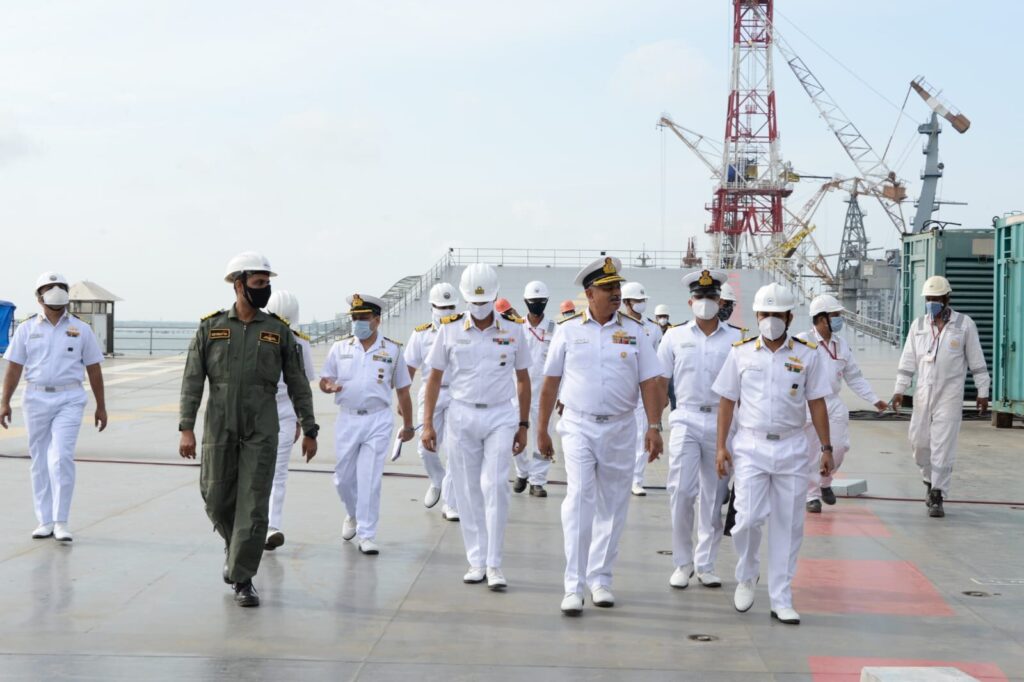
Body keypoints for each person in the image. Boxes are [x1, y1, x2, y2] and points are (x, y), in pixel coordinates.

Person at [179, 251, 318, 608]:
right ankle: (236, 546)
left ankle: (243, 578)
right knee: (215, 496)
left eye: (268, 283)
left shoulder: (277, 331)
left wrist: (309, 426)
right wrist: (186, 427)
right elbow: (193, 381)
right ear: (239, 285)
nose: (265, 289)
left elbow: (298, 382)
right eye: (259, 284)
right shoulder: (210, 328)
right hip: (219, 424)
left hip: (262, 425)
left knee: (254, 503)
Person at [537, 257, 664, 616]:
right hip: (578, 425)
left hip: (622, 427)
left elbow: (651, 381)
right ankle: (573, 585)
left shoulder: (636, 331)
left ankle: (601, 578)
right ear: (589, 293)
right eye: (608, 289)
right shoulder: (568, 330)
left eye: (617, 288)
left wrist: (653, 427)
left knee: (613, 504)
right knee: (579, 499)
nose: (616, 294)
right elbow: (550, 382)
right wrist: (541, 429)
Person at [713, 282, 833, 625]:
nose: (770, 320)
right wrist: (721, 445)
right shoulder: (741, 352)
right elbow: (726, 401)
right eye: (765, 314)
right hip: (750, 446)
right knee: (746, 518)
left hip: (793, 447)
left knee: (788, 524)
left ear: (790, 316)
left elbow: (817, 402)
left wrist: (826, 447)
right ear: (756, 314)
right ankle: (747, 575)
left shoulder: (808, 354)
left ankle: (781, 596)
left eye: (777, 315)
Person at [421, 264, 532, 591]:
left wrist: (523, 424)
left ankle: (495, 564)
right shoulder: (450, 329)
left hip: (500, 415)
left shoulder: (514, 330)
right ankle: (476, 560)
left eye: (485, 301)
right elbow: (434, 379)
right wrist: (427, 424)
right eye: (473, 301)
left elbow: (523, 379)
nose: (480, 308)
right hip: (462, 415)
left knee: (494, 485)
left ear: (496, 295)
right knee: (468, 490)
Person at [1, 272, 107, 542]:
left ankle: (61, 521)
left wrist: (101, 406)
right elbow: (13, 368)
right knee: (39, 459)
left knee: (61, 457)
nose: (56, 292)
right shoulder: (26, 329)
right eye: (50, 288)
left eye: (60, 287)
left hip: (69, 398)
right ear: (39, 297)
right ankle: (44, 520)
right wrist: (4, 402)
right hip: (35, 398)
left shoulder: (81, 329)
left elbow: (94, 368)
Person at [658, 269, 742, 590]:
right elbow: (660, 382)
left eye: (711, 297)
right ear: (690, 300)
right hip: (685, 418)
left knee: (714, 495)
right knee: (680, 491)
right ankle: (682, 562)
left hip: (723, 424)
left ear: (719, 300)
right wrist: (653, 423)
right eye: (700, 297)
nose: (705, 302)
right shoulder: (674, 336)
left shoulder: (737, 340)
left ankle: (706, 563)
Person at [321, 294, 415, 555]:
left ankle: (367, 533)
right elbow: (324, 379)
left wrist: (408, 425)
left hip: (378, 419)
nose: (358, 322)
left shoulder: (393, 350)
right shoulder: (340, 348)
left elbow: (404, 391)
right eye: (354, 318)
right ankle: (352, 514)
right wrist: (329, 386)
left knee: (370, 478)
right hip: (348, 418)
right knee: (342, 479)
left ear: (377, 320)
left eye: (363, 318)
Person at [891, 275, 989, 518]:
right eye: (929, 299)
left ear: (947, 298)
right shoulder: (919, 326)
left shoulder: (964, 325)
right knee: (919, 443)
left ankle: (937, 493)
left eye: (936, 298)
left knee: (943, 445)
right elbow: (907, 361)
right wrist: (899, 389)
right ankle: (928, 479)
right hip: (923, 393)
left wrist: (983, 391)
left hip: (950, 394)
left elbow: (977, 362)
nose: (932, 303)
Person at [799, 295, 887, 514]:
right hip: (809, 405)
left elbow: (854, 377)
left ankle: (825, 482)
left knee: (838, 448)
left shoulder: (841, 345)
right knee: (811, 453)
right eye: (835, 315)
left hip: (833, 402)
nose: (839, 320)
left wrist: (874, 399)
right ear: (821, 319)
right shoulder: (802, 342)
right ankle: (812, 495)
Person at [263, 290, 317, 550]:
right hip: (258, 412)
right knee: (257, 472)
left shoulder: (300, 342)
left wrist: (300, 422)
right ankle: (256, 523)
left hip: (284, 413)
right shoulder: (257, 336)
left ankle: (271, 527)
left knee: (278, 473)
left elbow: (302, 386)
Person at [404, 282, 460, 521]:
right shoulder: (421, 334)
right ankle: (437, 481)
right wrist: (402, 398)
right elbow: (408, 367)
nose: (446, 310)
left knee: (454, 449)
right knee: (425, 448)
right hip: (430, 392)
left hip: (458, 393)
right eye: (441, 306)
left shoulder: (463, 329)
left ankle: (450, 501)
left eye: (450, 306)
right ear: (432, 307)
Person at [621, 281, 664, 496]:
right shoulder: (618, 326)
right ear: (626, 302)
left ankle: (637, 479)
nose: (640, 304)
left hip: (644, 390)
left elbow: (657, 365)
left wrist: (660, 395)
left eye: (642, 301)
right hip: (622, 388)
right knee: (621, 435)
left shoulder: (654, 329)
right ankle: (622, 477)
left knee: (642, 435)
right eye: (637, 301)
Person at [513, 280, 554, 498]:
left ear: (546, 302)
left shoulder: (555, 329)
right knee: (515, 433)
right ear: (525, 302)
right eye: (532, 302)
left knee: (542, 435)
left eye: (540, 301)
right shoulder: (516, 327)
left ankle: (538, 481)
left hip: (544, 394)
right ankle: (522, 471)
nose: (536, 305)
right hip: (517, 393)